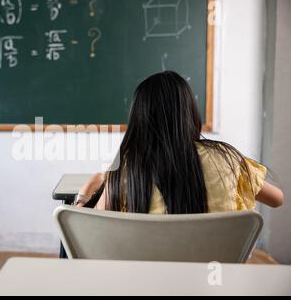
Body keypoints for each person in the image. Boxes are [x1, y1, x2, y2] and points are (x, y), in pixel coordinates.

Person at [75, 71, 284, 213]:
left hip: (143, 273)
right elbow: (277, 199)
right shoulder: (226, 158)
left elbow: (89, 229)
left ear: (138, 118)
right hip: (214, 271)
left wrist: (86, 193)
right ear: (189, 111)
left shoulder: (126, 170)